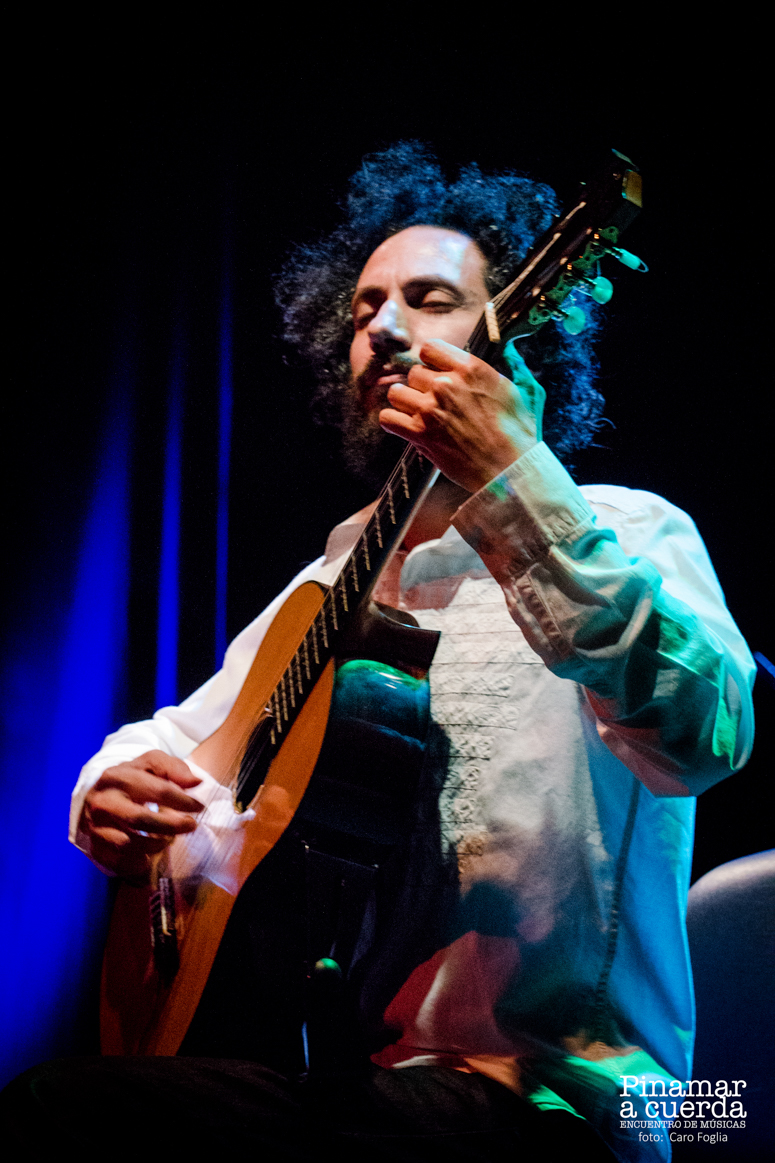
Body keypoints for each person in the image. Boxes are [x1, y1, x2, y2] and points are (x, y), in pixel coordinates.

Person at [2, 144, 755, 1161]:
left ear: (519, 326)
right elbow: (177, 740)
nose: (385, 328)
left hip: (564, 1100)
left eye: (429, 300)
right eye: (363, 310)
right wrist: (108, 789)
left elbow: (703, 734)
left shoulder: (627, 528)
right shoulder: (329, 585)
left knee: (62, 1110)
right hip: (361, 1086)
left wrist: (514, 480)